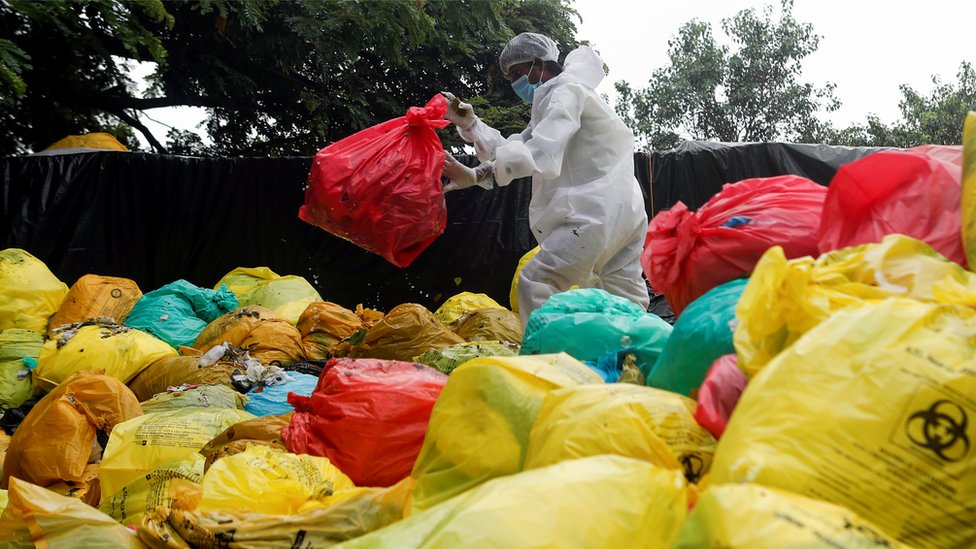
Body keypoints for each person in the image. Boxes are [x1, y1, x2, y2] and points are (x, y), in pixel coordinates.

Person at [441, 32, 650, 328]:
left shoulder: (564, 91)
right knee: (626, 303)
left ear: (538, 64)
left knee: (536, 283)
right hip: (625, 217)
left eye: (516, 73)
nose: (515, 84)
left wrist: (477, 174)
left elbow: (541, 151)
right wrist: (472, 125)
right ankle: (637, 360)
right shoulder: (570, 94)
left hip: (592, 215)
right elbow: (521, 146)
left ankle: (544, 362)